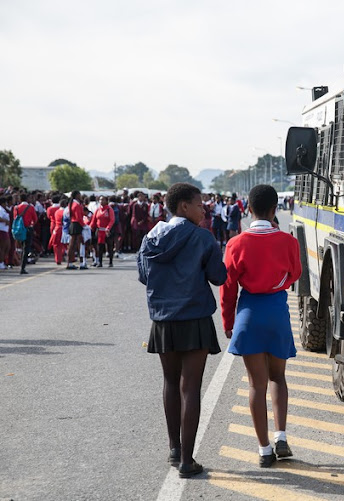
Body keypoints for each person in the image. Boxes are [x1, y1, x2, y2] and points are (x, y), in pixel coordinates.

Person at [137, 182, 227, 478]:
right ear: (184, 206)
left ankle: (174, 449)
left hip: (163, 318)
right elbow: (218, 277)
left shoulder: (152, 235)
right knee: (191, 387)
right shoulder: (203, 238)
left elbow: (143, 275)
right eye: (200, 204)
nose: (205, 208)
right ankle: (188, 460)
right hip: (195, 317)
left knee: (170, 382)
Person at [220, 184, 302, 468]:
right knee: (278, 377)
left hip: (248, 313)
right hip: (277, 311)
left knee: (257, 384)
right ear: (274, 209)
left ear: (248, 209)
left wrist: (228, 322)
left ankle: (264, 450)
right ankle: (281, 435)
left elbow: (228, 288)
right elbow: (296, 274)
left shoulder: (236, 244)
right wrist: (276, 283)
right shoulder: (288, 241)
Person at [12, 193, 38, 275]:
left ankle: (19, 262)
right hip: (28, 229)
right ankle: (23, 267)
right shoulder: (30, 207)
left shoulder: (16, 208)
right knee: (26, 248)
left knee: (18, 245)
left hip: (19, 229)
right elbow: (35, 219)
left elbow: (15, 218)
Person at [90, 196, 116, 268]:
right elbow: (94, 220)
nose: (101, 201)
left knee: (109, 246)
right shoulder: (98, 210)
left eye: (103, 200)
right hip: (99, 230)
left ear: (106, 201)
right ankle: (100, 262)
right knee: (100, 247)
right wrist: (91, 227)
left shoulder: (109, 209)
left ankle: (110, 262)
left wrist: (108, 228)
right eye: (100, 200)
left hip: (107, 230)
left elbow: (112, 220)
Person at [66, 191, 84, 270]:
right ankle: (81, 262)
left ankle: (69, 262)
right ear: (77, 195)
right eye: (79, 195)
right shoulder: (76, 205)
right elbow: (79, 217)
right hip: (77, 224)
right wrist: (84, 225)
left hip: (73, 224)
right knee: (78, 244)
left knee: (72, 244)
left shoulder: (71, 204)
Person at [51, 198, 68, 265]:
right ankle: (69, 257)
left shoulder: (57, 212)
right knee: (67, 244)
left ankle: (58, 259)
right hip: (64, 229)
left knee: (57, 245)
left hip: (57, 228)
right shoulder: (66, 212)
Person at [0, 196, 11, 270]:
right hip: (2, 230)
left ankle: (2, 261)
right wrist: (5, 221)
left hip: (5, 230)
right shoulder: (0, 209)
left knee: (7, 247)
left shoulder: (4, 209)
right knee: (3, 247)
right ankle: (1, 263)